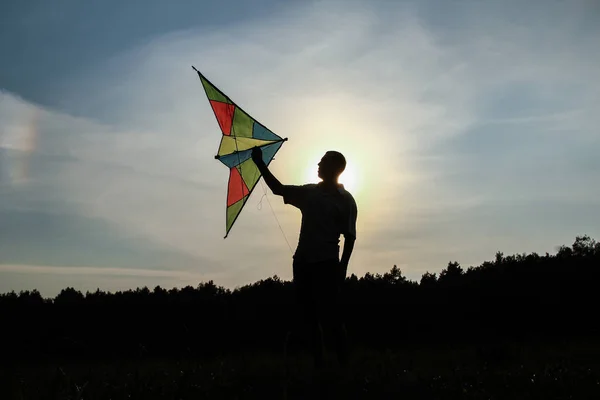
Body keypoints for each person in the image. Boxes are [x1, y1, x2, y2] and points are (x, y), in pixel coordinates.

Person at [251, 147, 358, 368]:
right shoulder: (310, 193)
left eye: (323, 161)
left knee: (332, 319)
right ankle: (320, 365)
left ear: (335, 169)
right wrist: (259, 163)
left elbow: (350, 236)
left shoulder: (346, 200)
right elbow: (278, 189)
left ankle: (344, 366)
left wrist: (342, 268)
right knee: (309, 318)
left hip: (327, 265)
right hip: (303, 263)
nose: (318, 164)